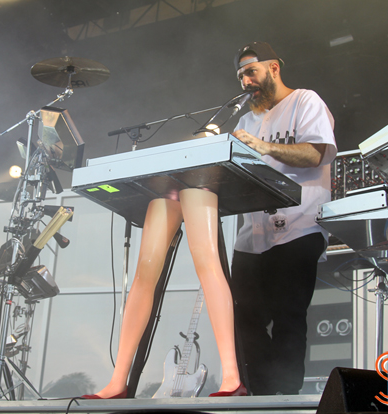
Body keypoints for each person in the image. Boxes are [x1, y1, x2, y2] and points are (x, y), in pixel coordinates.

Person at [229, 42, 337, 395]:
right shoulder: (246, 119)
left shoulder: (306, 101)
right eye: (240, 75)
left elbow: (316, 153)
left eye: (251, 71)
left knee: (290, 319)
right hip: (252, 236)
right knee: (243, 321)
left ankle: (285, 397)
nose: (245, 81)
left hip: (299, 226)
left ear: (273, 67)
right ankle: (261, 395)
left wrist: (266, 147)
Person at [82, 189, 246, 399]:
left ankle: (231, 377)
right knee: (145, 269)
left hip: (197, 170)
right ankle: (117, 382)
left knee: (206, 260)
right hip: (165, 179)